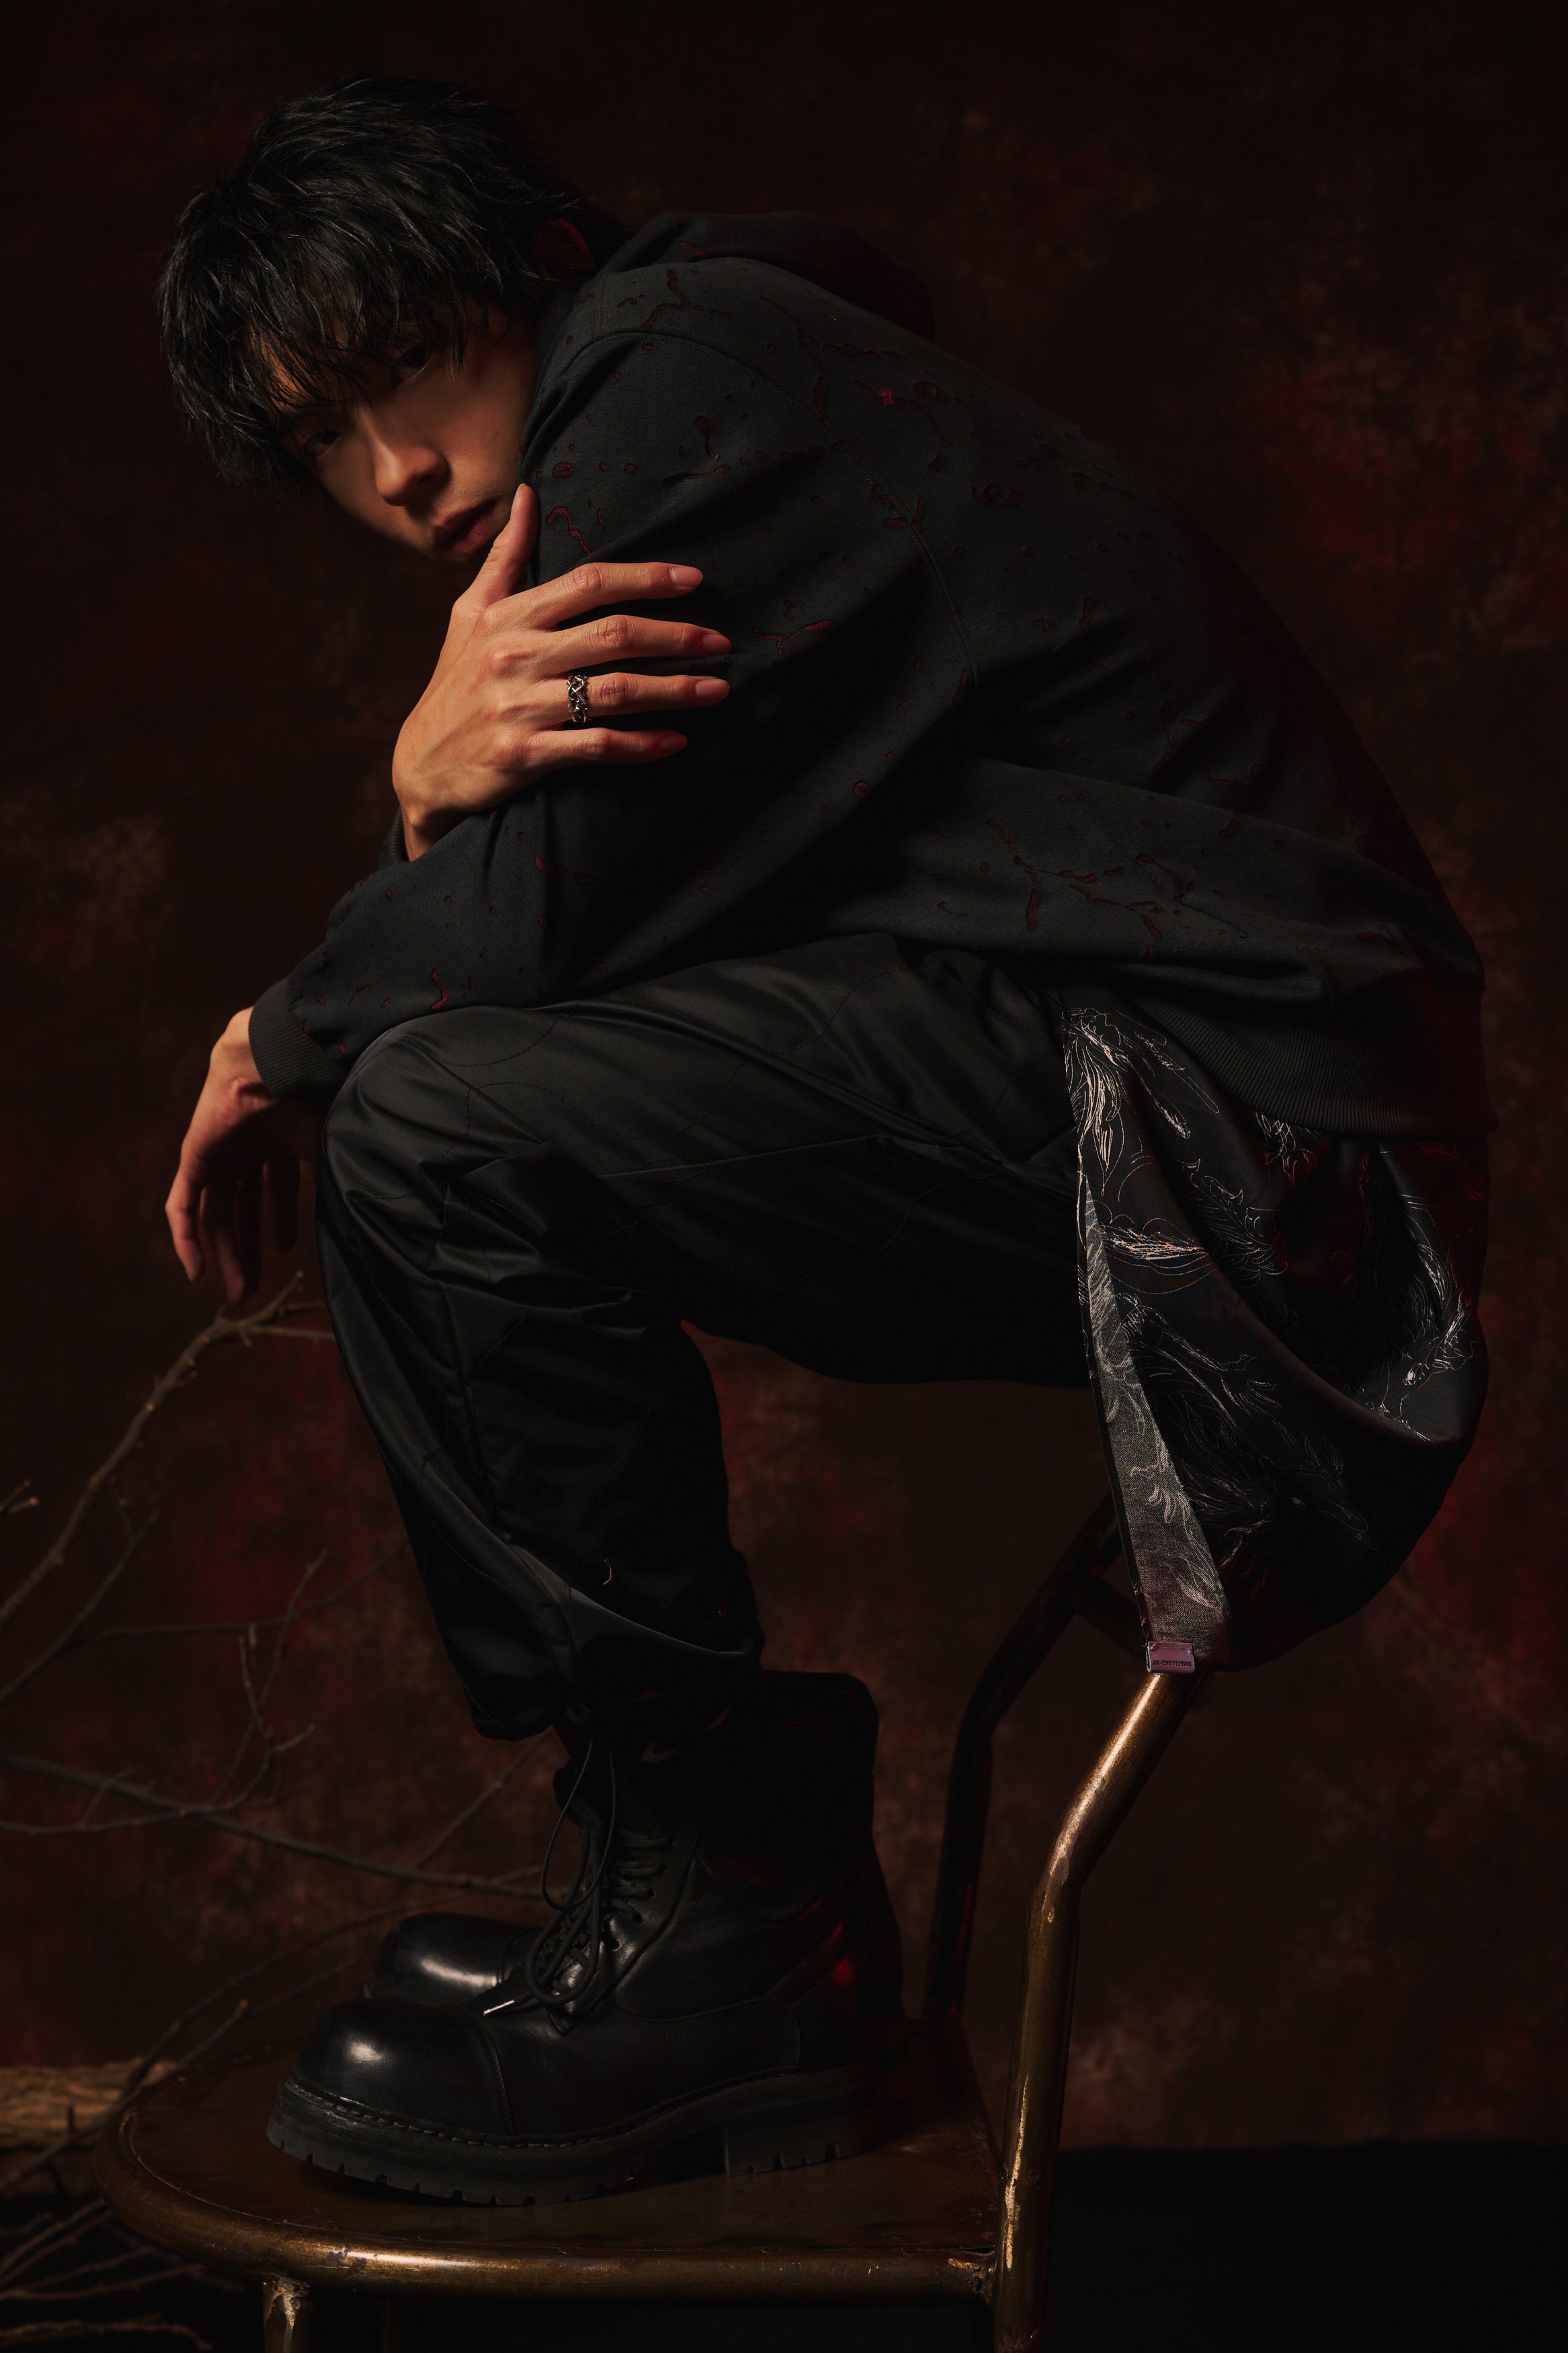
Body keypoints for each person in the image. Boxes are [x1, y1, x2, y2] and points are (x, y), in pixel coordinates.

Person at [157, 77, 1490, 2202]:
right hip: (1201, 1094)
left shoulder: (677, 374)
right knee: (445, 1097)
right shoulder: (713, 375)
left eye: (404, 365)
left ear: (533, 263)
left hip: (1265, 1148)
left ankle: (732, 1908)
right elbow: (583, 930)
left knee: (426, 1124)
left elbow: (533, 922)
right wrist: (423, 796)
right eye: (324, 436)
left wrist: (281, 1015)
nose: (394, 471)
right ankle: (692, 1871)